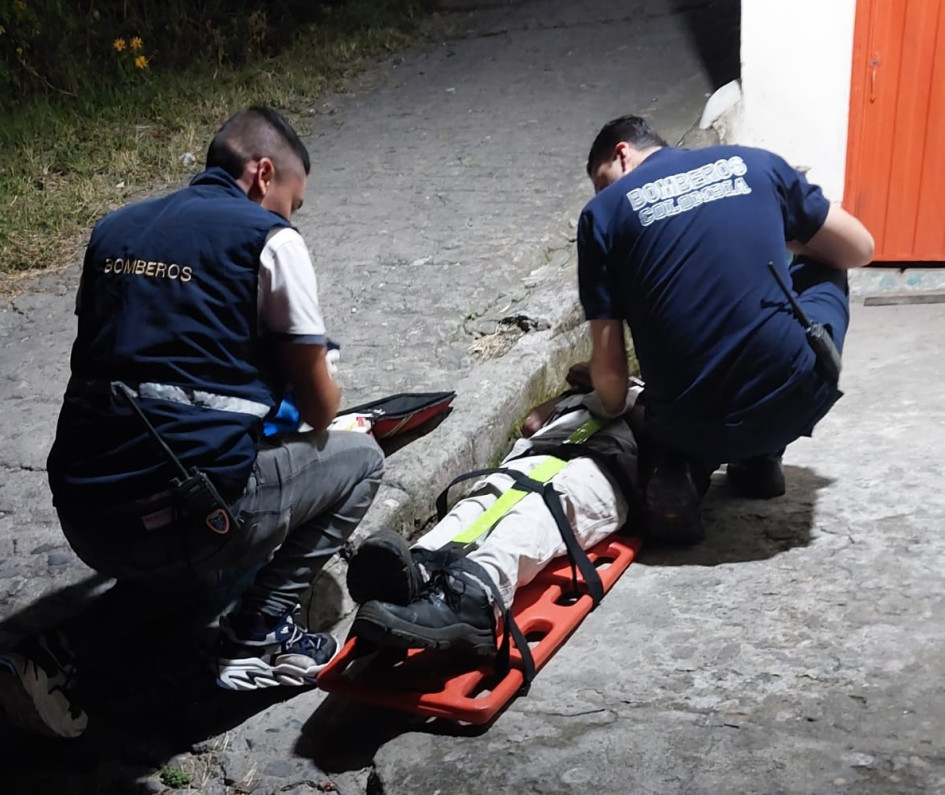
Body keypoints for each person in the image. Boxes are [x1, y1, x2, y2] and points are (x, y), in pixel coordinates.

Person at [0, 107, 385, 738]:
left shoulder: (114, 230)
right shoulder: (269, 239)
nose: (289, 216)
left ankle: (49, 655)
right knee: (360, 462)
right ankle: (258, 638)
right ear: (263, 175)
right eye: (292, 201)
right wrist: (311, 375)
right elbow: (320, 408)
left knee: (202, 567)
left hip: (85, 512)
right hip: (187, 514)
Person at [577, 115, 874, 544]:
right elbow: (860, 248)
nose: (606, 193)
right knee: (828, 260)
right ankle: (761, 457)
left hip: (684, 423)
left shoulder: (603, 213)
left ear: (621, 154)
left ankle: (680, 464)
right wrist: (782, 235)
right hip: (793, 399)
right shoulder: (755, 164)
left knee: (669, 406)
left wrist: (611, 406)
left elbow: (610, 383)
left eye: (603, 181)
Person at [346, 385, 641, 655]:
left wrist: (623, 393)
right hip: (539, 453)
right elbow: (531, 424)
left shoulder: (662, 397)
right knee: (478, 503)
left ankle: (474, 599)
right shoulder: (595, 387)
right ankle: (418, 569)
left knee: (536, 513)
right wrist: (581, 389)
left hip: (605, 469)